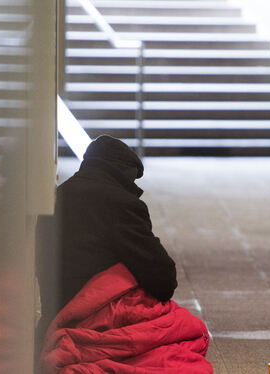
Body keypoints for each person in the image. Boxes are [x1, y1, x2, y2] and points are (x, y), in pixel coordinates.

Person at [35, 135, 178, 351]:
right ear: (126, 173)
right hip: (94, 314)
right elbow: (162, 277)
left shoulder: (57, 195)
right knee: (185, 328)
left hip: (55, 311)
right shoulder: (122, 203)